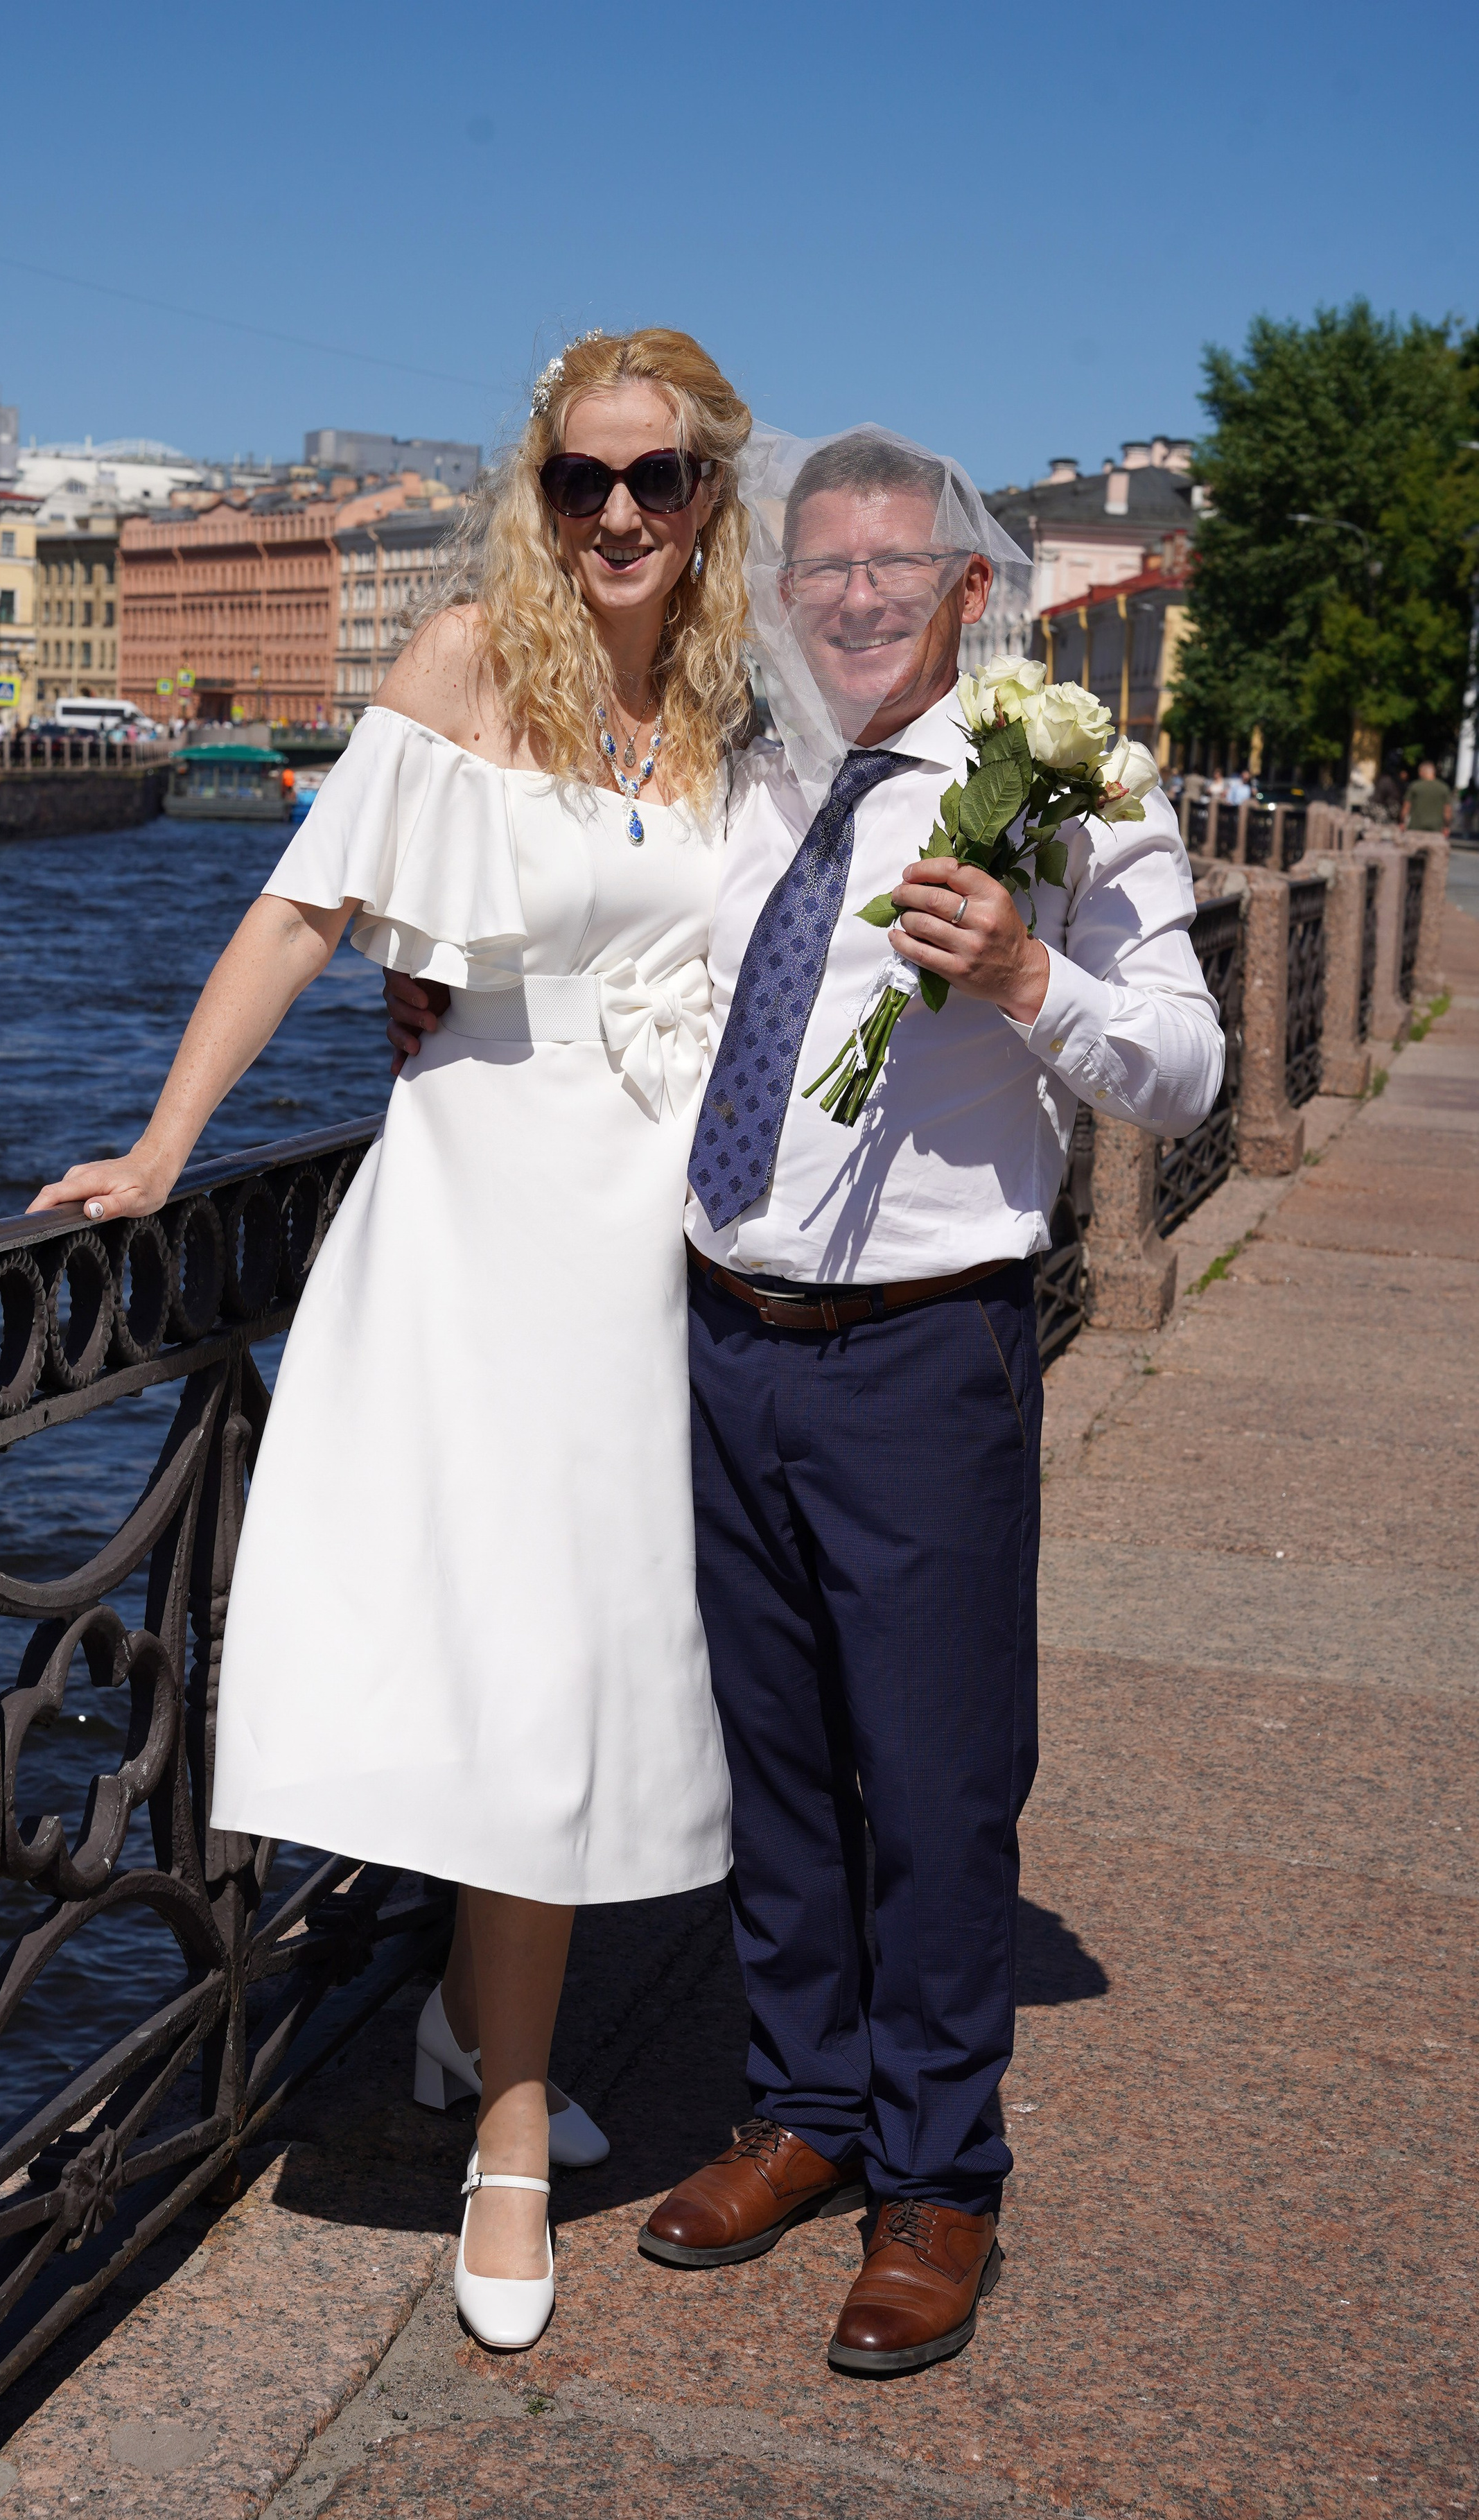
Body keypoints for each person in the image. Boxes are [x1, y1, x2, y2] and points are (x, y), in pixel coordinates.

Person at [389, 422, 1225, 2381]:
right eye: (820, 568)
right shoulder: (745, 776)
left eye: (890, 568)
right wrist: (438, 981)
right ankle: (805, 2107)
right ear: (783, 592)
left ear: (964, 591)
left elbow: (1182, 1067)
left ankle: (939, 2181)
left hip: (923, 1353)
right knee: (770, 1759)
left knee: (933, 1783)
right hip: (714, 1332)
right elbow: (603, 941)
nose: (849, 597)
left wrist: (1032, 980)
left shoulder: (1077, 801)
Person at [28, 327, 753, 2356]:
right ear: (537, 494)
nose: (617, 516)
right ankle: (507, 2129)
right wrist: (168, 1144)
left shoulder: (724, 709)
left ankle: (456, 2018)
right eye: (579, 482)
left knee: (574, 1674)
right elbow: (301, 909)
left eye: (657, 480)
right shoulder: (458, 663)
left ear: (712, 495)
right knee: (505, 1669)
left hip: (643, 1259)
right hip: (469, 1231)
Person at [1402, 756, 1453, 833]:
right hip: (1436, 829)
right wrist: (1446, 826)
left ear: (1421, 772)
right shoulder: (1444, 788)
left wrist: (1402, 822)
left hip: (1415, 828)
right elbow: (1447, 811)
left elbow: (1406, 808)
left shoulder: (1415, 786)